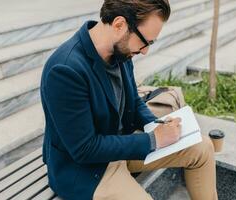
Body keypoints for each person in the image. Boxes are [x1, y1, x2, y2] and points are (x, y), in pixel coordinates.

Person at [40, 0, 218, 199]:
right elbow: (84, 149)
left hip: (122, 146)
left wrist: (157, 125)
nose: (145, 51)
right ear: (119, 25)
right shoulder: (65, 70)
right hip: (87, 169)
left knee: (203, 148)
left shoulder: (121, 51)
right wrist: (154, 139)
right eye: (145, 42)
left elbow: (133, 101)